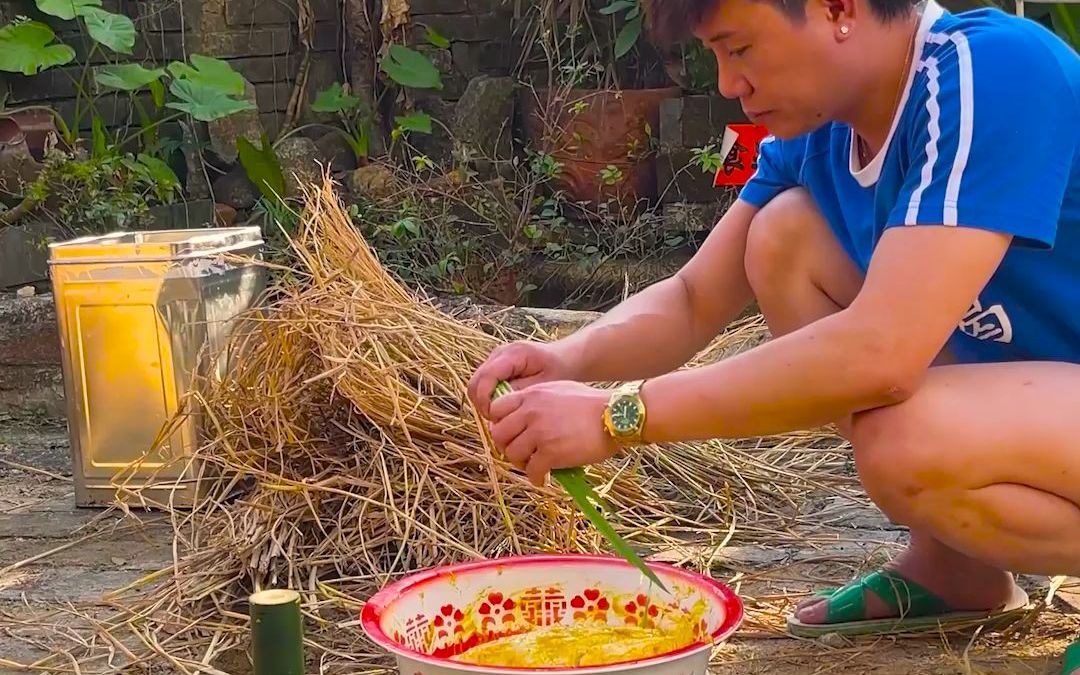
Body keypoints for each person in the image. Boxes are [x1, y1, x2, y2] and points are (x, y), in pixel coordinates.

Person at [467, 0, 1080, 669]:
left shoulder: (986, 72)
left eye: (740, 48)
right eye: (715, 56)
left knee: (904, 441)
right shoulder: (820, 135)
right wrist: (566, 357)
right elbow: (694, 296)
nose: (730, 84)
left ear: (838, 8)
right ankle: (954, 566)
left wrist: (621, 415)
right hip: (1048, 396)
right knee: (784, 237)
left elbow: (882, 354)